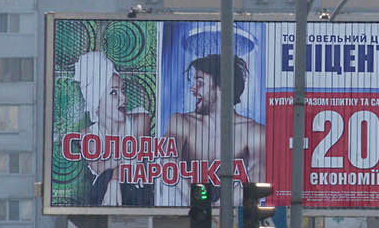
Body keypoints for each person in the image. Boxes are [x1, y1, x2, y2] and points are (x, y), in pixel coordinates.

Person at [164, 52, 265, 203]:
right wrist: (197, 202)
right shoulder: (181, 122)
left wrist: (221, 207)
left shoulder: (254, 131)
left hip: (232, 217)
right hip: (187, 213)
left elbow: (259, 173)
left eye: (199, 83)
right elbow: (167, 162)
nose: (192, 89)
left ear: (221, 86)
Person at [73, 51, 153, 207]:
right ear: (97, 102)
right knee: (106, 177)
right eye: (114, 93)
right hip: (102, 196)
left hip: (135, 190)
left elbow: (134, 158)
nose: (123, 98)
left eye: (123, 90)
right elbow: (101, 168)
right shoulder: (87, 135)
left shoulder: (140, 120)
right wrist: (122, 162)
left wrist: (115, 179)